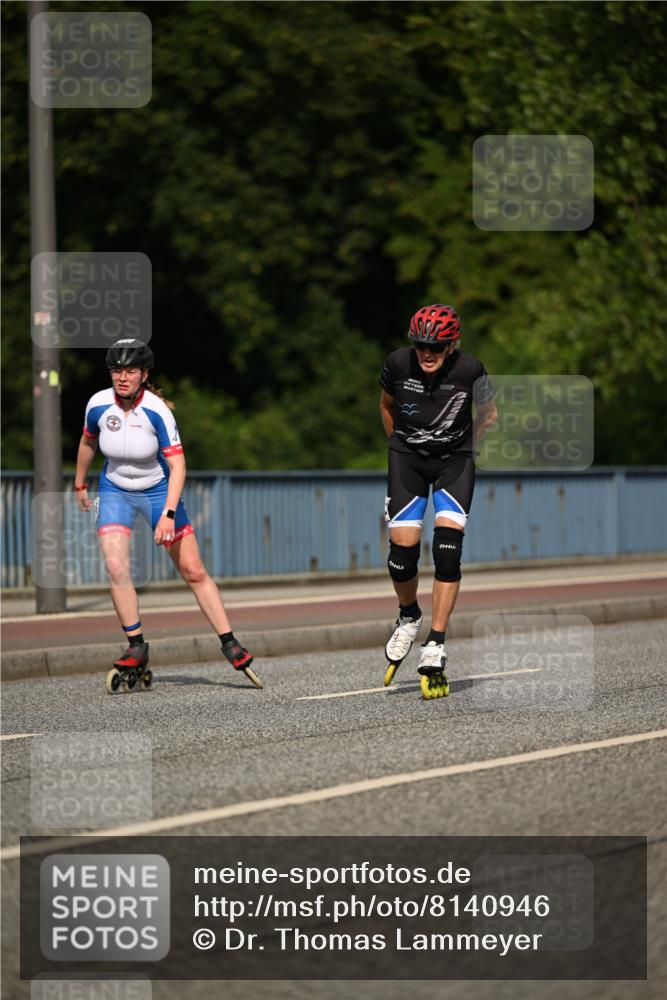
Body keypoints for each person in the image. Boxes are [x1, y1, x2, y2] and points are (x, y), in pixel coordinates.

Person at [74, 338, 262, 693]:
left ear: (144, 374)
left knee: (192, 570)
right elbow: (87, 442)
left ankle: (229, 642)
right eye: (116, 370)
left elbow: (178, 466)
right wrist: (80, 483)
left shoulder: (157, 410)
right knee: (116, 567)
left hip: (159, 490)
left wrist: (168, 514)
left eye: (130, 371)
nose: (122, 377)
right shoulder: (98, 404)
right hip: (114, 489)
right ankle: (136, 645)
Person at [379, 304, 497, 698]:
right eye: (420, 345)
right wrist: (402, 446)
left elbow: (489, 414)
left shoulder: (471, 370)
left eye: (437, 346)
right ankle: (409, 615)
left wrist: (464, 447)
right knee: (402, 555)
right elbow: (385, 406)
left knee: (448, 551)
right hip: (407, 460)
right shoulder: (396, 364)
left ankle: (435, 643)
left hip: (454, 463)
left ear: (452, 344)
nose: (427, 353)